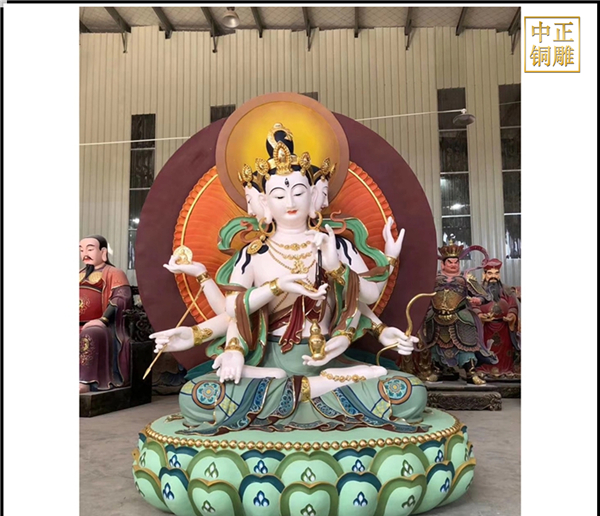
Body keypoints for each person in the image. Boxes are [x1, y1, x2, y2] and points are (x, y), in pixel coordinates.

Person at [150, 123, 428, 435]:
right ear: (263, 203)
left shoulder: (337, 246)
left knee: (410, 393)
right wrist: (272, 289)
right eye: (279, 195)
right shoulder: (252, 254)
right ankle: (311, 389)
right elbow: (236, 311)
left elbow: (364, 298)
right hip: (271, 359)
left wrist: (377, 324)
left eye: (298, 192)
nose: (290, 203)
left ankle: (302, 389)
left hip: (328, 359)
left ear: (316, 196)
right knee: (196, 397)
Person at [420, 239, 497, 385]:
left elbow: (485, 295)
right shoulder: (433, 279)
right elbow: (421, 294)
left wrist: (478, 300)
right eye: (450, 262)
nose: (453, 265)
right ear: (443, 264)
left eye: (456, 262)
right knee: (436, 347)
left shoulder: (466, 278)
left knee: (466, 346)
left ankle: (471, 372)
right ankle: (437, 371)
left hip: (460, 317)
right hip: (436, 318)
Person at [79, 235, 132, 393]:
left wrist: (103, 319)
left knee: (91, 334)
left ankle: (85, 381)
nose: (85, 254)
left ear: (103, 252)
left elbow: (121, 298)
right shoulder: (78, 273)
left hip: (102, 325)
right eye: (81, 250)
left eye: (90, 249)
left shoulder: (114, 273)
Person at [474, 258, 520, 378]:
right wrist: (480, 316)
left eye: (496, 273)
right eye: (490, 273)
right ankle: (483, 369)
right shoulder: (477, 291)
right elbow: (473, 306)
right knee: (485, 348)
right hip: (485, 328)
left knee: (505, 349)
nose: (493, 276)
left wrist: (511, 316)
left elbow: (513, 306)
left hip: (504, 327)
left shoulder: (507, 291)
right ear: (484, 274)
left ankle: (505, 369)